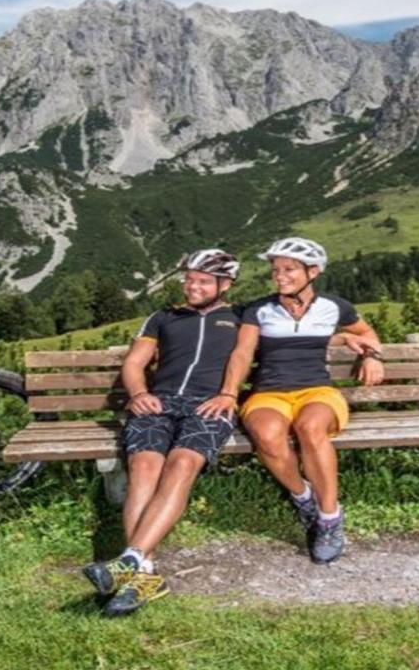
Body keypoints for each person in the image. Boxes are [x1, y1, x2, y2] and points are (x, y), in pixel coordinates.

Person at [83, 249, 242, 616]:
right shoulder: (162, 317)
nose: (192, 286)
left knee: (183, 463)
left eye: (202, 281)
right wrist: (139, 394)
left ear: (225, 284)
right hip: (159, 402)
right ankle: (144, 570)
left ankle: (130, 562)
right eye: (188, 279)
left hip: (209, 405)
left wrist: (361, 345)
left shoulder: (240, 318)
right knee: (143, 467)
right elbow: (135, 363)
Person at [215, 237, 384, 564]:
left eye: (288, 269)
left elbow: (368, 334)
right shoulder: (258, 309)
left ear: (313, 271)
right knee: (266, 435)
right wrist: (229, 392)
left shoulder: (334, 306)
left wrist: (372, 356)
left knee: (310, 427)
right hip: (268, 392)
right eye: (275, 269)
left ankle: (330, 517)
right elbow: (243, 351)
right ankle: (303, 496)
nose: (279, 276)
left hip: (318, 390)